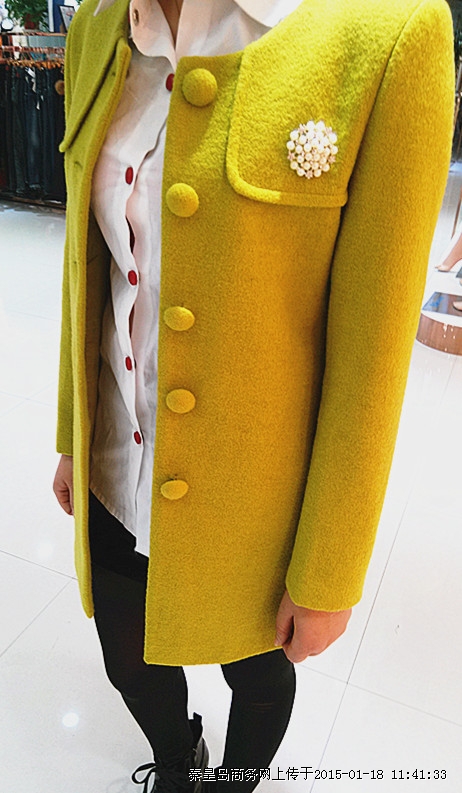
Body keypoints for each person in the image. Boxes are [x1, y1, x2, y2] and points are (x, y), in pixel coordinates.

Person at [53, 0, 454, 790]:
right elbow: (86, 264)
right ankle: (178, 760)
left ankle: (234, 781)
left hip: (259, 493)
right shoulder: (97, 25)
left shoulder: (387, 31)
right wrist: (74, 430)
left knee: (259, 673)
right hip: (115, 457)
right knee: (127, 660)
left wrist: (331, 568)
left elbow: (372, 356)